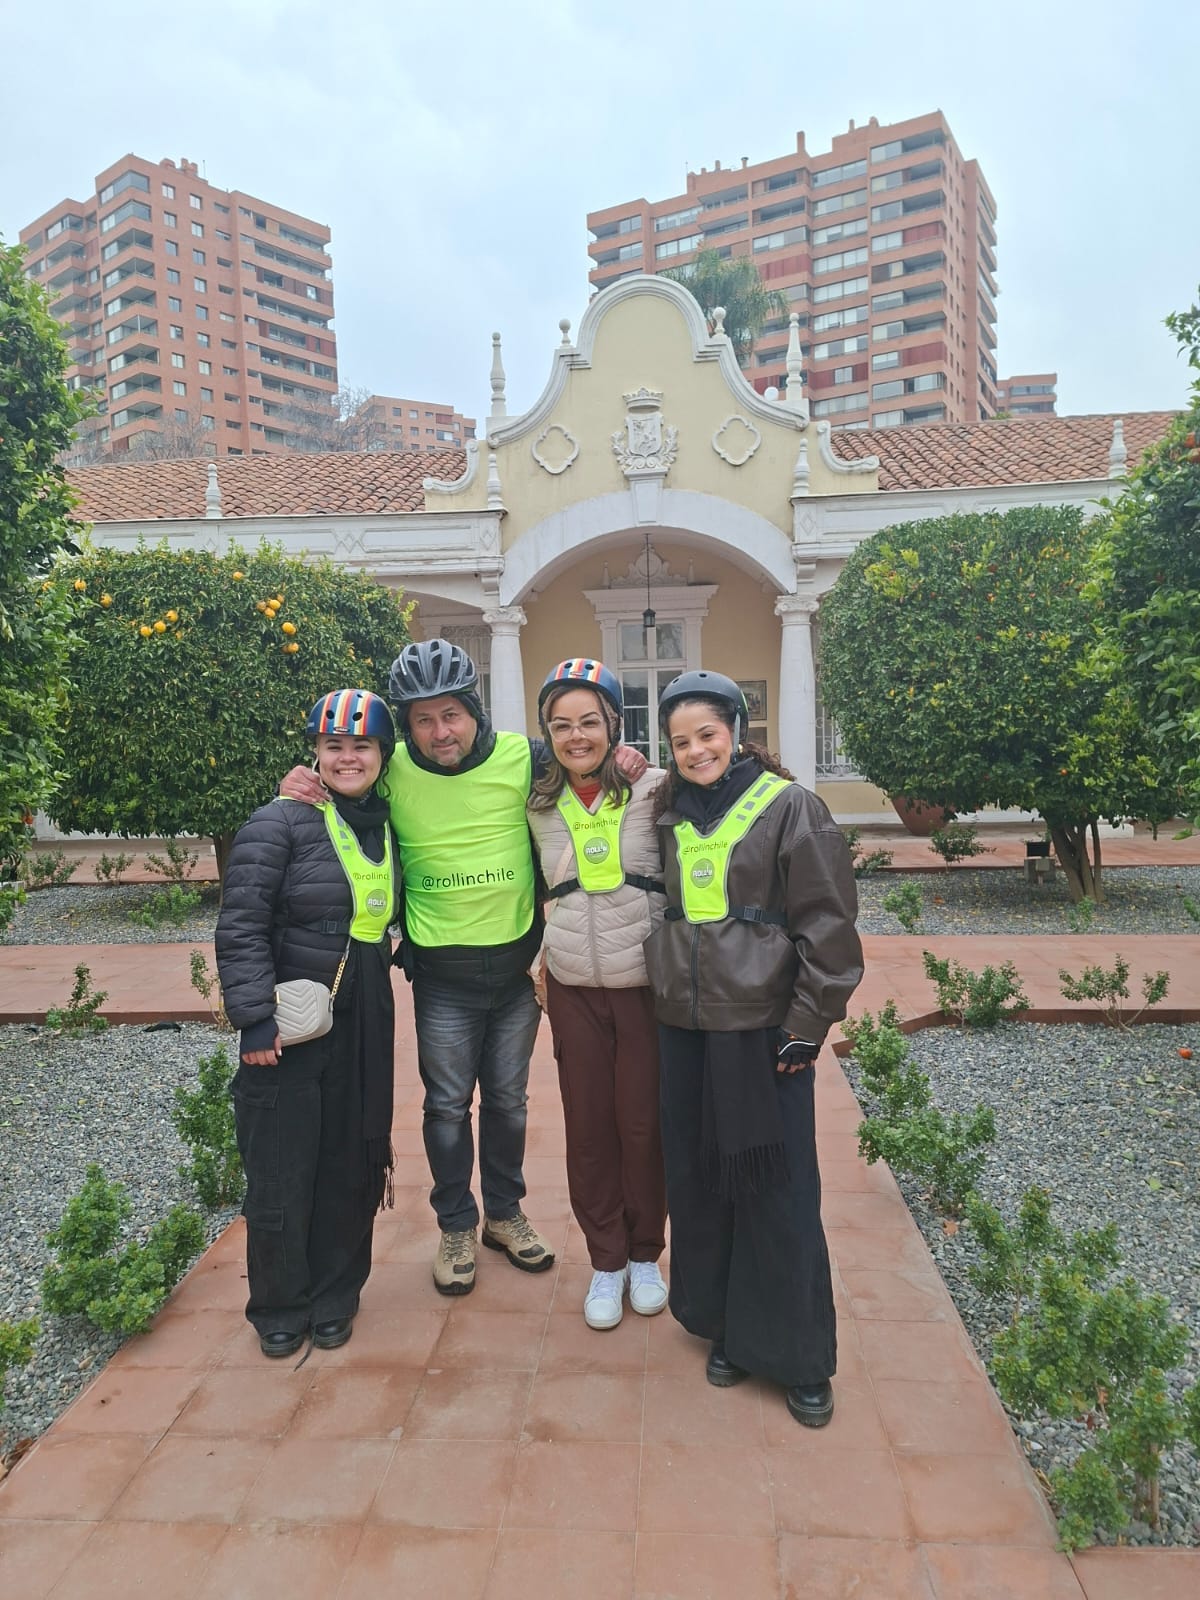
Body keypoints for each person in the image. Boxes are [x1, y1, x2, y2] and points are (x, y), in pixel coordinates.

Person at [280, 639, 645, 1298]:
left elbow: (583, 765)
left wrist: (625, 757)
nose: (440, 732)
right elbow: (345, 782)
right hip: (442, 977)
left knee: (508, 1102)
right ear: (405, 727)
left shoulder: (524, 758)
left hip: (515, 972)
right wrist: (302, 782)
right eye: (423, 720)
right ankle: (455, 1225)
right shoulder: (391, 768)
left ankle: (504, 1214)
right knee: (447, 1107)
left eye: (451, 714)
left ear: (475, 712)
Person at [644, 670, 863, 1427]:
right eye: (680, 741)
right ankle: (728, 1329)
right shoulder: (670, 811)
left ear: (737, 732)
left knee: (775, 1188)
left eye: (707, 733)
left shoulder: (791, 806)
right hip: (685, 1029)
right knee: (704, 1183)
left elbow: (828, 924)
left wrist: (808, 1022)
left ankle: (798, 1356)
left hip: (762, 1032)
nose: (695, 750)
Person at [215, 688, 400, 1358]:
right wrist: (254, 1019)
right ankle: (279, 1304)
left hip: (363, 1012)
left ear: (383, 754)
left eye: (361, 746)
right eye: (334, 746)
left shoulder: (387, 823)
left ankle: (335, 1295)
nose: (348, 758)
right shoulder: (280, 821)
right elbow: (242, 923)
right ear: (315, 753)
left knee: (351, 1158)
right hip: (291, 1019)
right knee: (280, 1167)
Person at [527, 658, 668, 1330]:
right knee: (588, 1130)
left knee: (642, 1125)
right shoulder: (535, 802)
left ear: (614, 724)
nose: (576, 736)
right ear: (547, 734)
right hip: (573, 988)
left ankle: (645, 1255)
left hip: (643, 986)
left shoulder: (656, 789)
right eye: (561, 725)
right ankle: (606, 1261)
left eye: (589, 721)